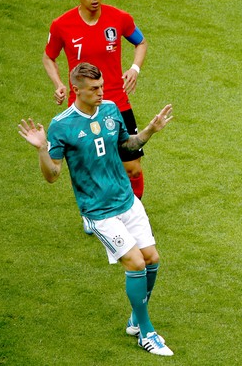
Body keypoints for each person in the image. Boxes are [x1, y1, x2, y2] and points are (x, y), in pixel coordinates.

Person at [18, 63, 174, 356]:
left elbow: (126, 147)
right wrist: (41, 149)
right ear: (76, 89)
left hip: (127, 200)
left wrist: (151, 130)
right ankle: (146, 332)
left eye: (102, 86)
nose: (101, 92)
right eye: (94, 89)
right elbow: (52, 175)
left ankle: (135, 320)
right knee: (136, 263)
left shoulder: (112, 109)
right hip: (99, 210)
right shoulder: (61, 125)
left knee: (152, 258)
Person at [43, 0, 148, 226]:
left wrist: (134, 68)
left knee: (132, 167)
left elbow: (141, 42)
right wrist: (58, 83)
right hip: (81, 110)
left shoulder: (119, 18)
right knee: (89, 168)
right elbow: (49, 57)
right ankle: (92, 213)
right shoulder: (61, 25)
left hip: (117, 104)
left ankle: (133, 211)